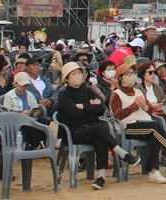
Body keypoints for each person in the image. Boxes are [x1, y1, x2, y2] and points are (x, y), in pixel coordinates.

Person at [56, 61, 142, 190]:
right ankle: (123, 154)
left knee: (99, 139)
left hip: (92, 129)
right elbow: (72, 113)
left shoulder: (88, 90)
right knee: (98, 129)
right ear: (67, 78)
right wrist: (90, 107)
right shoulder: (64, 94)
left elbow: (101, 109)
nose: (78, 75)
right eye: (74, 73)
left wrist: (84, 106)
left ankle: (101, 177)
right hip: (73, 132)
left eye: (79, 72)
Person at [108, 62, 166, 183]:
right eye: (129, 73)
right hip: (129, 126)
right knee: (154, 127)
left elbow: (150, 109)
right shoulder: (116, 94)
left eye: (133, 73)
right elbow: (117, 115)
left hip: (146, 123)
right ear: (121, 78)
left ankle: (154, 172)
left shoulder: (138, 92)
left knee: (154, 134)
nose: (132, 76)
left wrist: (144, 106)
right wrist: (135, 105)